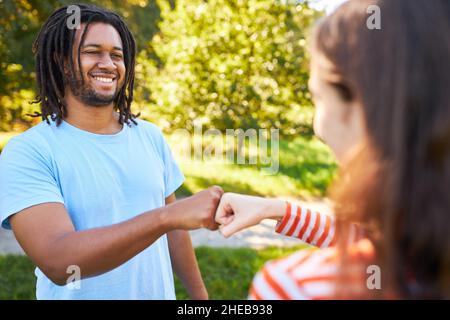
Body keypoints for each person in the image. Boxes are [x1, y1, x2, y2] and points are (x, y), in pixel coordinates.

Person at [215, 0, 450, 299]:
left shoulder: (295, 288)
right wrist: (275, 210)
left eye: (318, 98)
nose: (317, 127)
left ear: (365, 107)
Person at [0, 4, 222, 300]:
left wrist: (199, 298)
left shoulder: (150, 136)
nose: (108, 63)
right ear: (63, 62)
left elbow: (175, 232)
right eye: (92, 52)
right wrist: (164, 217)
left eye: (117, 55)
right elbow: (59, 262)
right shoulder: (28, 152)